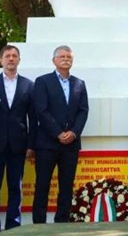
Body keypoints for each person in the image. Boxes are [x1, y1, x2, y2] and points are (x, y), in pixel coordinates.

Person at [32, 45, 89, 223]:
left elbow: (83, 111)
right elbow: (41, 110)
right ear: (54, 60)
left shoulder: (79, 83)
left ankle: (62, 222)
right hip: (47, 143)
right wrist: (58, 133)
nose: (66, 59)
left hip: (71, 144)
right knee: (43, 184)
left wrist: (74, 132)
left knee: (66, 186)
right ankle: (39, 225)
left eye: (69, 57)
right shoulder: (43, 81)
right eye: (62, 56)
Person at [0, 45, 35, 234]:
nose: (11, 59)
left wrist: (31, 145)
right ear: (1, 60)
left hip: (18, 145)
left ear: (19, 60)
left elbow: (33, 118)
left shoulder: (28, 85)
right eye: (7, 56)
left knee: (15, 188)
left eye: (15, 56)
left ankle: (13, 229)